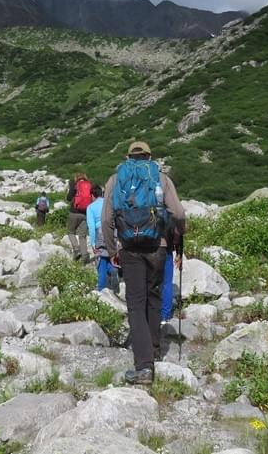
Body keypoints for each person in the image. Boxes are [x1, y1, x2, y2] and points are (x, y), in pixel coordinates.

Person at [102, 141, 185, 385]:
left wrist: (112, 249)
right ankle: (155, 349)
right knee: (153, 296)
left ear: (128, 157)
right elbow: (178, 213)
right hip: (157, 246)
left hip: (129, 248)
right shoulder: (160, 177)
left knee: (136, 304)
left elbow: (106, 219)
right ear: (150, 156)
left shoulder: (115, 179)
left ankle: (144, 366)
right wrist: (180, 232)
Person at [87, 185, 119, 292]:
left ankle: (101, 290)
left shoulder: (91, 207)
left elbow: (91, 227)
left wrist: (92, 243)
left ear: (92, 195)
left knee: (101, 260)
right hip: (113, 232)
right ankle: (113, 271)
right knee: (111, 255)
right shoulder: (110, 203)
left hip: (100, 234)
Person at [66, 173, 93, 263]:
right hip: (85, 214)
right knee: (82, 236)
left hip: (74, 213)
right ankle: (85, 257)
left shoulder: (74, 185)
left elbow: (69, 198)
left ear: (76, 178)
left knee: (70, 232)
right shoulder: (89, 185)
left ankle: (76, 249)